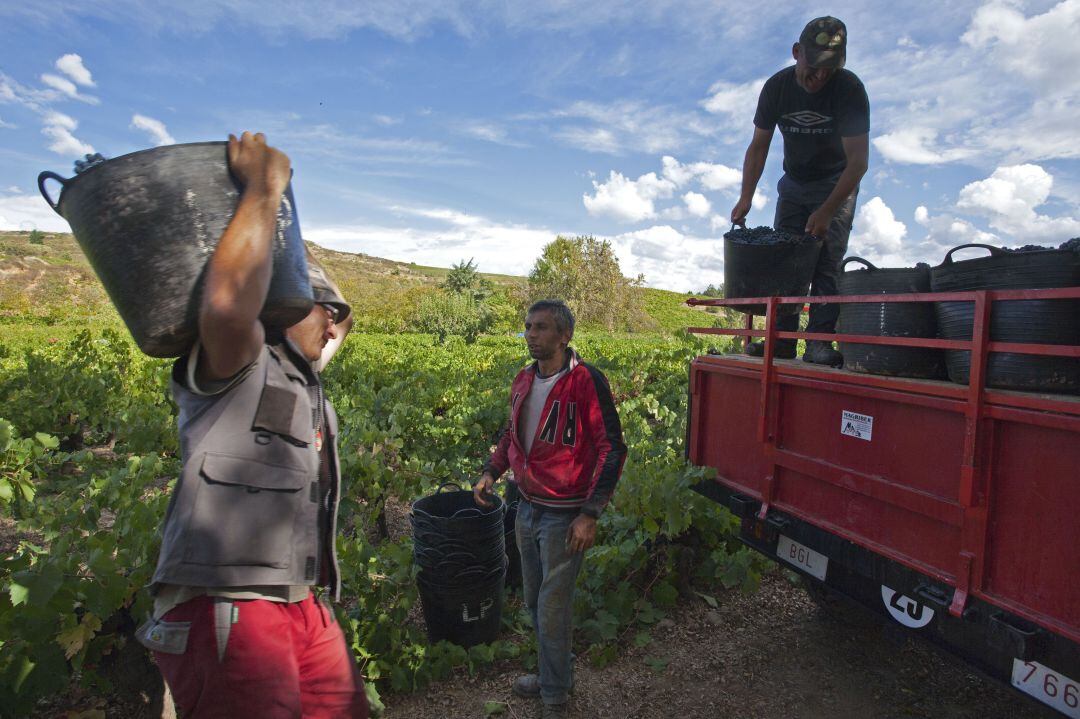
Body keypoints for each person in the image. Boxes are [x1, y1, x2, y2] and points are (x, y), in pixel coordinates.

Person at [136, 131, 368, 719]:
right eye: (332, 312)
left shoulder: (305, 385)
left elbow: (329, 331)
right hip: (227, 606)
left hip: (298, 600)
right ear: (289, 306)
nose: (339, 328)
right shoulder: (241, 360)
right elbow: (227, 303)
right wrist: (263, 190)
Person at [473, 300, 626, 719]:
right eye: (527, 326)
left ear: (564, 336)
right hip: (526, 508)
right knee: (534, 602)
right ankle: (549, 675)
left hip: (564, 514)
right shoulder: (523, 380)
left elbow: (613, 448)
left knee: (553, 606)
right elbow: (510, 435)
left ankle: (555, 695)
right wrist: (491, 472)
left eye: (541, 328)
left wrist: (590, 512)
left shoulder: (585, 381)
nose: (531, 334)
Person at [730, 16, 869, 366]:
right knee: (786, 261)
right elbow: (759, 145)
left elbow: (857, 163)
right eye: (815, 66)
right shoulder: (777, 88)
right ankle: (782, 342)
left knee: (825, 262)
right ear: (796, 53)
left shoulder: (850, 90)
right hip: (794, 184)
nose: (820, 76)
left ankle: (819, 343)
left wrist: (826, 211)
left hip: (836, 184)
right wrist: (746, 196)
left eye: (830, 69)